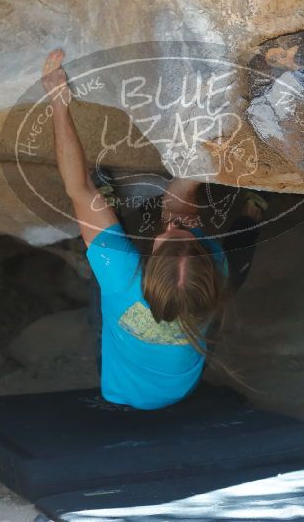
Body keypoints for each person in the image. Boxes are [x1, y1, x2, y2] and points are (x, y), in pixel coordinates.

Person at [42, 49, 266, 410]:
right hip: (181, 386)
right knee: (116, 266)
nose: (170, 228)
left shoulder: (123, 279)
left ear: (145, 272)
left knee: (103, 294)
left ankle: (109, 209)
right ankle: (251, 208)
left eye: (165, 238)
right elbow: (178, 202)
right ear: (203, 260)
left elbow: (79, 188)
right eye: (183, 235)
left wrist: (58, 103)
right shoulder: (215, 262)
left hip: (120, 391)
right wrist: (222, 135)